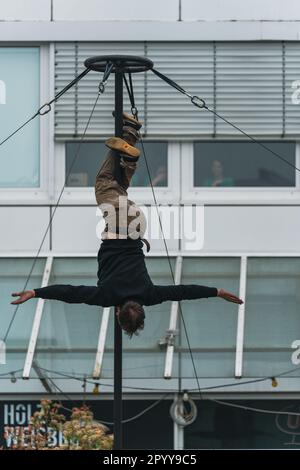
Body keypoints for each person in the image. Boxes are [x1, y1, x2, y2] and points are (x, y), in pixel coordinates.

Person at [11, 113, 243, 337]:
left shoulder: (150, 295)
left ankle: (130, 133)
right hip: (118, 225)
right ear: (118, 313)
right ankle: (129, 155)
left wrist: (217, 291)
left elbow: (184, 291)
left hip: (137, 226)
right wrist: (35, 292)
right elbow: (70, 293)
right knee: (104, 183)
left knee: (118, 186)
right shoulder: (106, 296)